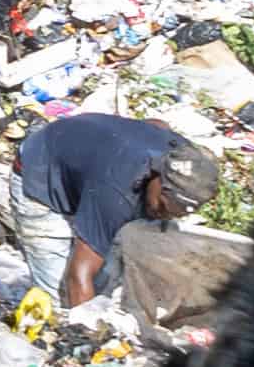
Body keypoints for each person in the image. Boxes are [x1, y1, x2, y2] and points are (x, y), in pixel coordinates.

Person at [16, 108, 240, 325]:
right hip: (40, 172)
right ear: (156, 177)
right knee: (59, 303)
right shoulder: (117, 192)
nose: (163, 216)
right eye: (161, 207)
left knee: (106, 277)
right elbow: (79, 275)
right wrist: (85, 333)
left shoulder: (184, 157)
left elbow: (157, 126)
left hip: (89, 173)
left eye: (174, 214)